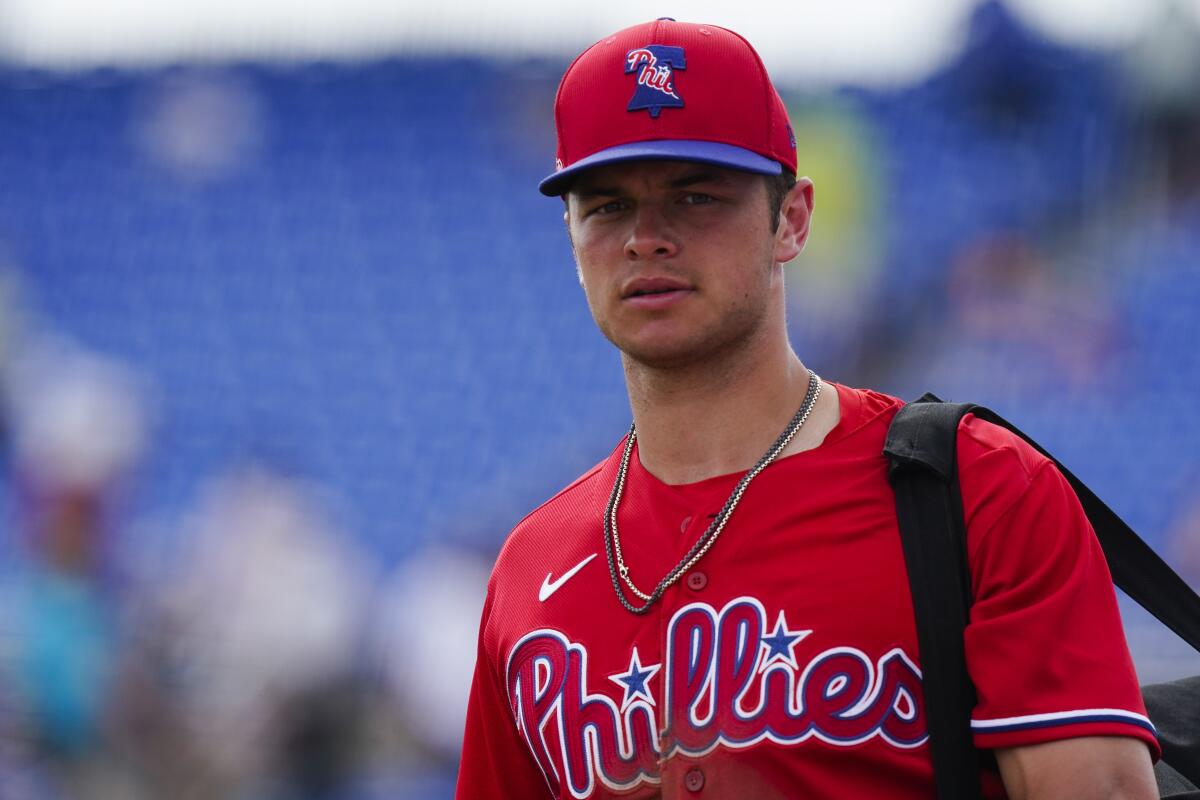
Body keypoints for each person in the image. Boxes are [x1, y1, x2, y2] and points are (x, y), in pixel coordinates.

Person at [456, 18, 1159, 799]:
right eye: (607, 206)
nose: (645, 238)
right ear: (572, 234)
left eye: (695, 196)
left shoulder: (980, 489)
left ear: (790, 218)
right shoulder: (531, 568)